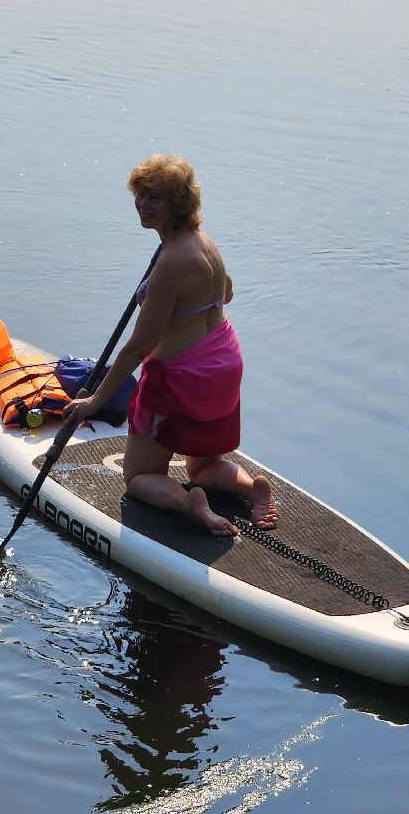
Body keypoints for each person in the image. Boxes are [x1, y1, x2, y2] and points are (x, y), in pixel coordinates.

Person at [61, 154, 276, 537]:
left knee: (140, 475)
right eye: (140, 195)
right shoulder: (204, 243)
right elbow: (226, 292)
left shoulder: (173, 261)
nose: (144, 204)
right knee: (202, 466)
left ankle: (189, 503)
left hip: (183, 379)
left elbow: (138, 347)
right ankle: (249, 486)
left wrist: (92, 402)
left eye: (155, 197)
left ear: (179, 202)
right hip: (222, 363)